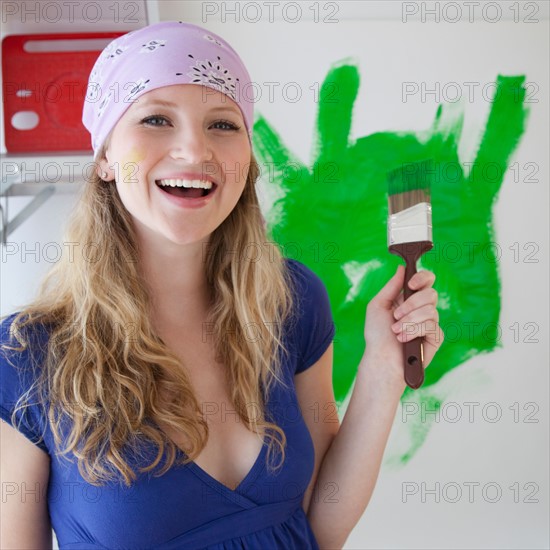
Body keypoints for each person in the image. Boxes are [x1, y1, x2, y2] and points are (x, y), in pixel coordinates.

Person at [0, 21, 443, 550]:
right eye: (156, 118)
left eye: (223, 124)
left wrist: (382, 371)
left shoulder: (293, 303)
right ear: (104, 160)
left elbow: (318, 528)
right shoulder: (26, 356)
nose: (194, 150)